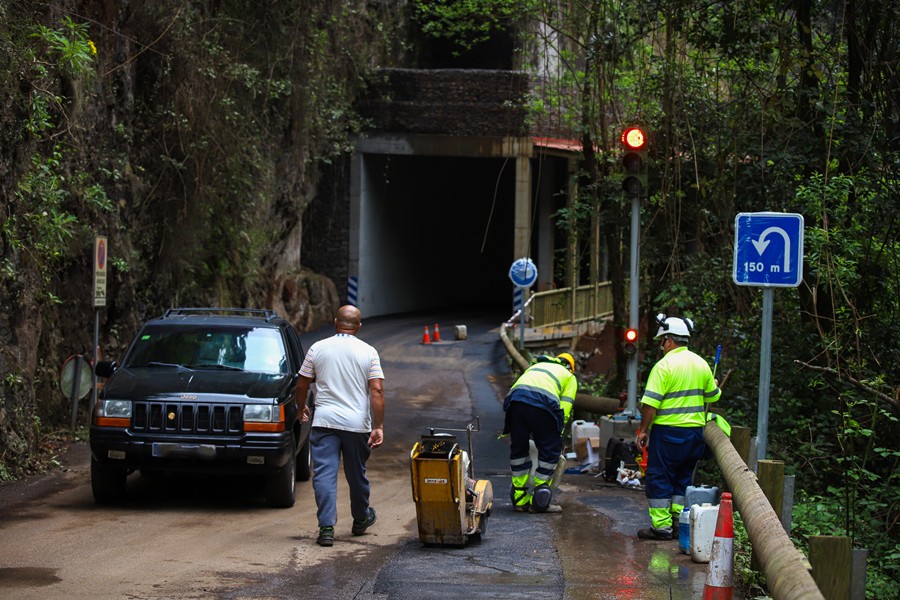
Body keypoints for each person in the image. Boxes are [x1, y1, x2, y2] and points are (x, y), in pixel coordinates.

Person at [295, 305, 385, 547]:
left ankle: (326, 528)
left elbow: (302, 383)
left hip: (324, 421)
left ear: (335, 322)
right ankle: (361, 518)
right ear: (359, 327)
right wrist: (379, 425)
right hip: (357, 425)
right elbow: (376, 390)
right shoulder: (369, 352)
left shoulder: (317, 348)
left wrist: (301, 407)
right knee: (356, 474)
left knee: (324, 474)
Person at [635, 314, 721, 540]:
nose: (661, 346)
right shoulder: (701, 364)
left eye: (662, 341)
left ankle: (662, 528)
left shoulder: (664, 366)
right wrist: (716, 385)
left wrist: (643, 430)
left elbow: (650, 403)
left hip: (667, 434)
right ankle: (678, 523)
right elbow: (714, 395)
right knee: (683, 479)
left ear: (670, 340)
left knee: (659, 478)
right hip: (694, 434)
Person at [503, 352, 577, 513]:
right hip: (544, 406)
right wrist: (558, 432)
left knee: (519, 449)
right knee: (549, 451)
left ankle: (519, 499)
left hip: (515, 403)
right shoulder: (569, 376)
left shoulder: (536, 366)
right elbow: (565, 406)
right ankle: (540, 498)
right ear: (570, 367)